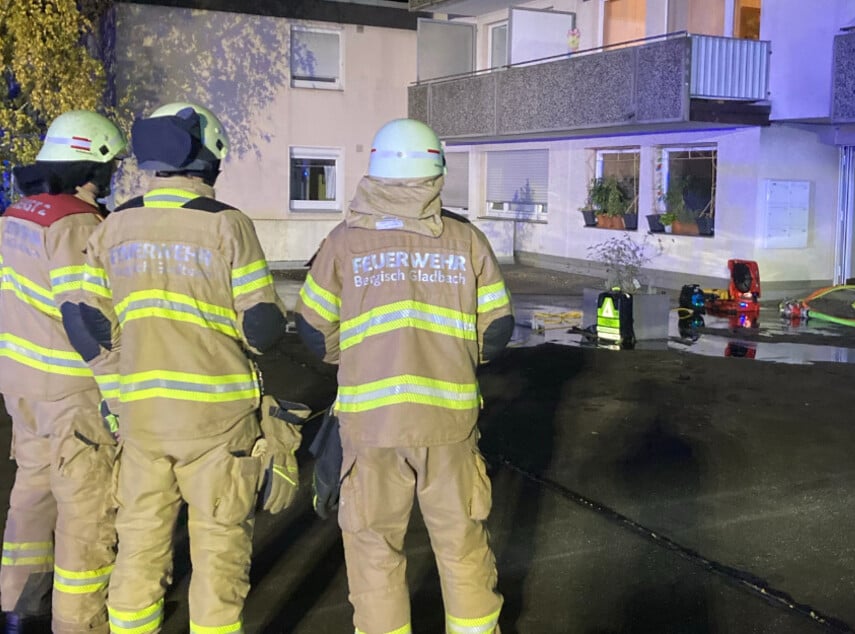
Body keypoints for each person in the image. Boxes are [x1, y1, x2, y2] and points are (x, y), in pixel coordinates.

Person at [67, 102, 288, 634]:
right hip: (218, 423)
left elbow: (84, 323)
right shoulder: (228, 226)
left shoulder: (114, 226)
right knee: (219, 548)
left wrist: (119, 389)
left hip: (142, 421)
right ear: (207, 155)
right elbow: (261, 327)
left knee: (139, 546)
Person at [295, 118, 515, 634]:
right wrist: (452, 356)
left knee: (375, 551)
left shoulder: (343, 243)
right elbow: (499, 328)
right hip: (449, 424)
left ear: (374, 170)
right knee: (462, 546)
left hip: (370, 428)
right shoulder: (466, 239)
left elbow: (310, 327)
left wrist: (357, 359)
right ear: (437, 170)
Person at [0, 110, 126, 634]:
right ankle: (78, 623)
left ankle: (17, 610)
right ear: (92, 165)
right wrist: (120, 393)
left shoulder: (18, 214)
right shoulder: (77, 224)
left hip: (22, 388)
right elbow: (87, 317)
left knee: (30, 500)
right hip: (73, 393)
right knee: (85, 516)